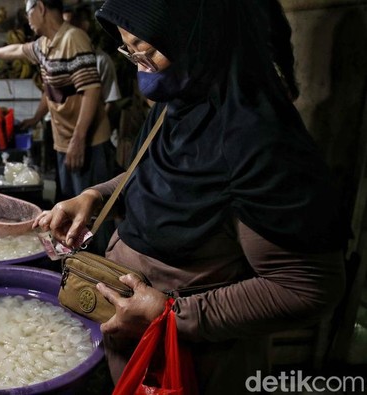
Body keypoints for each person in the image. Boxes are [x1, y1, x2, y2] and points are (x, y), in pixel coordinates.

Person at [33, 0, 349, 393]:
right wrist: (95, 195)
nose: (137, 63)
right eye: (129, 50)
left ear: (201, 40)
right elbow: (157, 177)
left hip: (194, 365)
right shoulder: (180, 105)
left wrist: (171, 315)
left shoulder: (259, 145)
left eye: (146, 51)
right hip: (138, 349)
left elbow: (308, 286)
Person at [0, 0, 112, 203]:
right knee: (68, 204)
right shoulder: (45, 44)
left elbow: (91, 90)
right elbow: (20, 53)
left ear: (41, 8)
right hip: (64, 141)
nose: (27, 19)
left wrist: (78, 140)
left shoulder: (73, 38)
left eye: (28, 12)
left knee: (89, 208)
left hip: (87, 142)